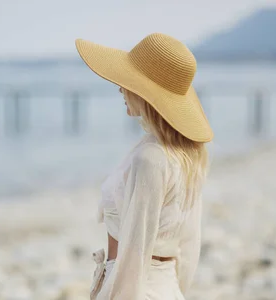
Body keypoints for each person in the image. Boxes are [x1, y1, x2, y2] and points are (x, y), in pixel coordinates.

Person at [75, 32, 213, 300]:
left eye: (127, 82)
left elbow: (134, 250)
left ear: (147, 94)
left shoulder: (150, 158)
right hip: (165, 288)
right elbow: (188, 247)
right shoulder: (185, 155)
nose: (120, 89)